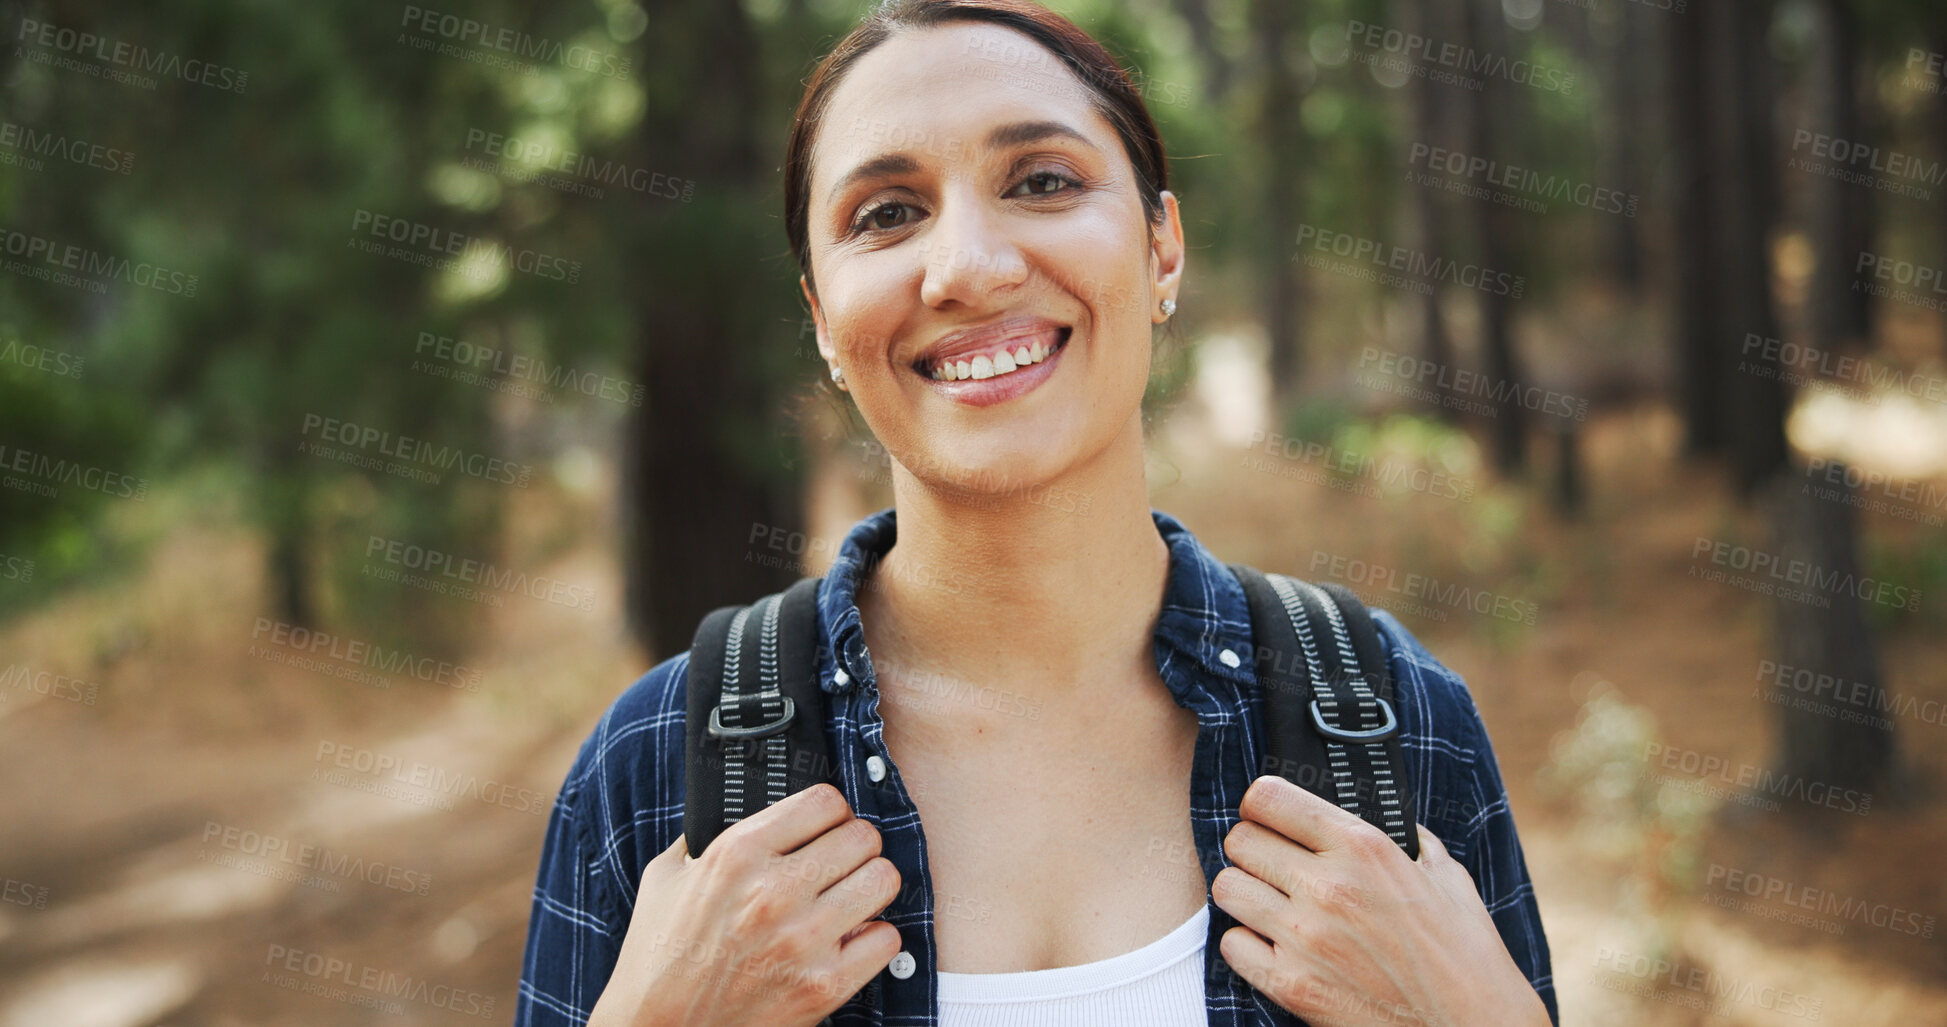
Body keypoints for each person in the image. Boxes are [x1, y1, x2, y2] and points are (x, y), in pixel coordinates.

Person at [517, 1, 1557, 1024]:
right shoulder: (656, 762)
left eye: (1043, 181)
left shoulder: (1391, 718)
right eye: (886, 213)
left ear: (1163, 247)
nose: (968, 266)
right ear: (824, 319)